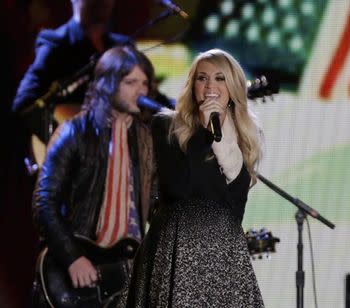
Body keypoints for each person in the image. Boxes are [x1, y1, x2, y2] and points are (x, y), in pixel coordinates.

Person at [120, 48, 265, 307]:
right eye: (202, 78)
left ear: (232, 87)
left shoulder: (243, 136)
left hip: (222, 257)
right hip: (176, 251)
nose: (211, 86)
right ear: (192, 85)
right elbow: (179, 190)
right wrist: (204, 131)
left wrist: (223, 141)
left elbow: (234, 211)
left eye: (220, 78)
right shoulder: (167, 126)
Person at [32, 45, 157, 307]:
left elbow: (159, 205)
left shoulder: (147, 140)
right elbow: (44, 202)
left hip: (126, 274)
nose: (141, 90)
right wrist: (72, 257)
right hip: (79, 267)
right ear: (108, 84)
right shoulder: (74, 132)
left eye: (145, 83)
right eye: (131, 82)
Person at [12, 0, 132, 145]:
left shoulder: (123, 47)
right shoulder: (56, 43)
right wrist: (64, 144)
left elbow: (150, 97)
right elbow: (24, 103)